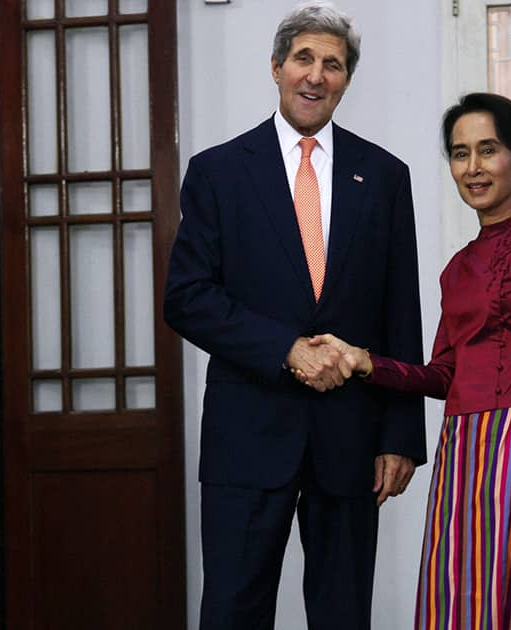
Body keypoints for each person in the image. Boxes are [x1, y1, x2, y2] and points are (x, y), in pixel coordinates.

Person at [163, 2, 426, 628]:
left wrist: (401, 437)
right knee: (232, 610)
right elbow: (187, 296)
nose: (316, 75)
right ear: (277, 67)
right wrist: (286, 349)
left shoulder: (385, 176)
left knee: (342, 614)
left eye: (332, 65)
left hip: (351, 437)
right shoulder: (218, 172)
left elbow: (400, 311)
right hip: (247, 433)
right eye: (304, 58)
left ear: (346, 80)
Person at [302, 93, 511, 629]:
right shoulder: (458, 268)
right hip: (462, 451)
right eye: (460, 154)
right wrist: (365, 362)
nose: (473, 168)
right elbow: (444, 375)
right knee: (449, 605)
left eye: (488, 150)